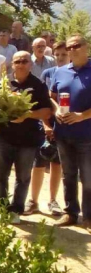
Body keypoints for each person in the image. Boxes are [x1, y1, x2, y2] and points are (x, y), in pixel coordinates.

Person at [0, 51, 52, 224]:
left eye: (24, 61)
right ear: (12, 64)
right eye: (17, 61)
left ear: (30, 64)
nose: (21, 64)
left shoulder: (38, 85)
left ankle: (16, 210)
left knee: (22, 178)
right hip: (3, 139)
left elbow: (47, 111)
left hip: (28, 141)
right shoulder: (2, 85)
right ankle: (1, 209)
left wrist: (27, 114)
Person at [50, 35, 91, 232]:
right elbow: (51, 96)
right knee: (68, 175)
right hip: (63, 133)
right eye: (69, 47)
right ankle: (71, 212)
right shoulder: (60, 72)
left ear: (86, 47)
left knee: (88, 176)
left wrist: (82, 115)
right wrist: (57, 108)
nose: (72, 49)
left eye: (77, 46)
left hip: (87, 134)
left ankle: (89, 217)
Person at [24, 41, 69, 217]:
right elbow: (41, 100)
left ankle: (53, 200)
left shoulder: (73, 74)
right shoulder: (47, 73)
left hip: (63, 126)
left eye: (63, 55)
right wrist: (45, 124)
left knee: (57, 164)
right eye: (57, 55)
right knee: (39, 163)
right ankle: (33, 201)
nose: (59, 58)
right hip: (44, 125)